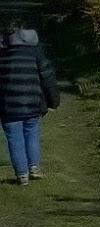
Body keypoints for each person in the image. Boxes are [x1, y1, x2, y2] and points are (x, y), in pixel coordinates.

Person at [1, 17, 59, 185]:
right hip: (33, 101)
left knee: (14, 138)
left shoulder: (2, 52)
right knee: (31, 133)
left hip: (8, 105)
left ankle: (22, 175)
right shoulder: (35, 51)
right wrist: (53, 101)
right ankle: (34, 168)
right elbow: (47, 76)